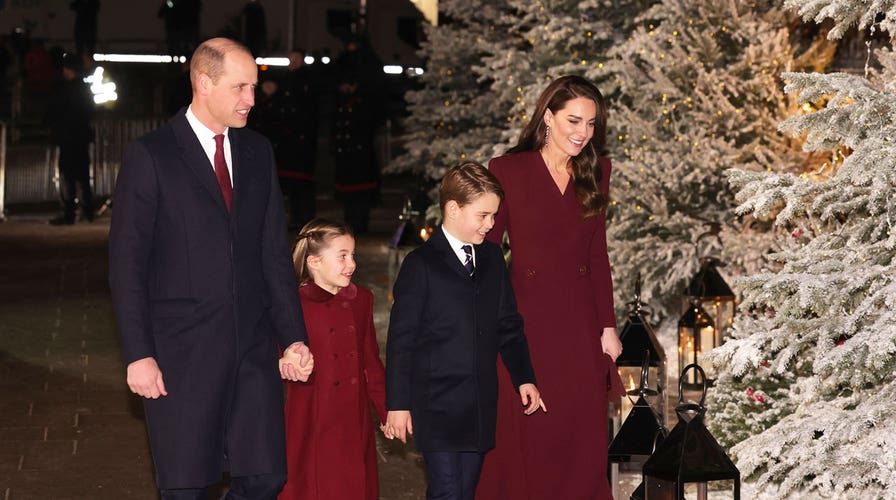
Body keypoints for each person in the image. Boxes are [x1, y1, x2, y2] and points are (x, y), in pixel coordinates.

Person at [109, 37, 314, 500]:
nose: (252, 99)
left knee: (266, 478)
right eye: (240, 87)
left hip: (252, 351)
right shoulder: (152, 155)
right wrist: (138, 353)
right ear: (203, 83)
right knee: (187, 489)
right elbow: (127, 264)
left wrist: (294, 336)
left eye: (255, 87)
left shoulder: (258, 151)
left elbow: (272, 255)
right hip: (182, 356)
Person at [473, 75, 625, 499]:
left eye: (591, 124)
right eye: (574, 120)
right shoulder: (508, 170)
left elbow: (597, 254)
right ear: (548, 117)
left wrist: (608, 326)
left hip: (579, 324)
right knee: (527, 431)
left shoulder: (598, 170)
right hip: (524, 322)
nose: (582, 133)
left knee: (580, 432)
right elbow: (487, 250)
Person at [385, 161, 546, 500]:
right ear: (453, 209)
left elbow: (508, 325)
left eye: (494, 216)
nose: (491, 225)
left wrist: (524, 377)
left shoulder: (491, 259)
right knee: (447, 489)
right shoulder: (420, 265)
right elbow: (402, 341)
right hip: (435, 403)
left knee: (465, 490)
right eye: (483, 216)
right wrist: (397, 404)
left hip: (478, 405)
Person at [279, 218, 387, 500]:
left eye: (353, 255)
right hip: (311, 417)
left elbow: (371, 363)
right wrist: (284, 363)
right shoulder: (293, 305)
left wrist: (389, 410)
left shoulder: (361, 299)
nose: (351, 264)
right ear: (314, 262)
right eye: (342, 256)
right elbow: (273, 354)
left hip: (353, 418)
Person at [45, 52, 94, 225]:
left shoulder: (64, 90)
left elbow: (53, 111)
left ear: (68, 70)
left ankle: (69, 213)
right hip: (81, 136)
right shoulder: (84, 88)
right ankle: (88, 211)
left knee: (68, 176)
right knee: (83, 175)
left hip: (67, 137)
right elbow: (89, 111)